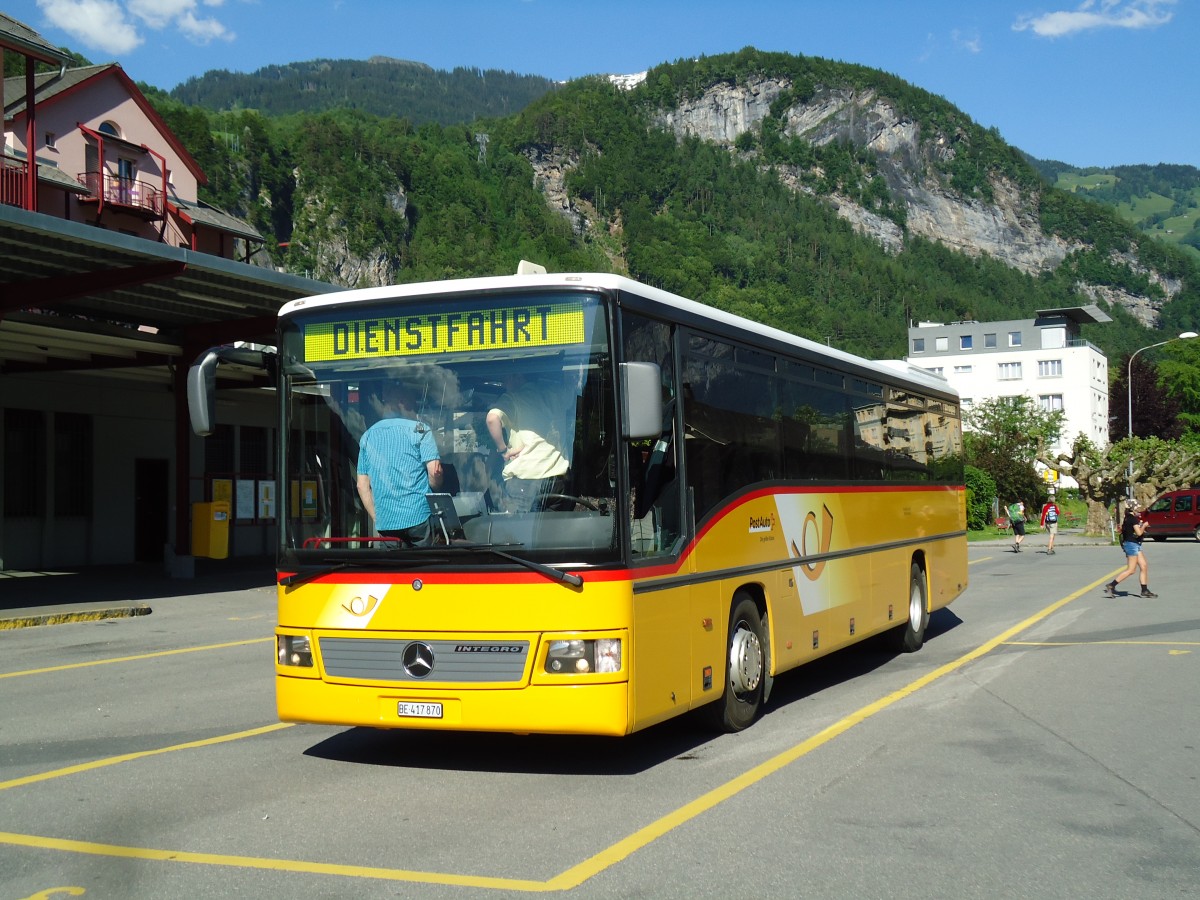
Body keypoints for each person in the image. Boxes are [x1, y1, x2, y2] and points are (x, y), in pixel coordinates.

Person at [356, 380, 443, 546]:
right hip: (418, 517)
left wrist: (376, 516)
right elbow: (434, 473)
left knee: (392, 569)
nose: (415, 407)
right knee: (425, 568)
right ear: (404, 403)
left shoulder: (368, 436)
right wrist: (437, 488)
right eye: (413, 402)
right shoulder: (421, 430)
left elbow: (362, 485)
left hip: (386, 522)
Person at [486, 371, 569, 512]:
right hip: (557, 482)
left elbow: (492, 419)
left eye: (506, 378)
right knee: (553, 531)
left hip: (524, 483)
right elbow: (572, 388)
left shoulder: (512, 399)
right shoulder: (555, 395)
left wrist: (503, 450)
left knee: (520, 531)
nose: (504, 384)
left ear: (518, 376)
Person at [1105, 498, 1156, 598]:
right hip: (1131, 545)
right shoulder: (1132, 519)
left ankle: (1144, 590)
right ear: (1132, 508)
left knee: (1144, 566)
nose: (1138, 509)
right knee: (1131, 570)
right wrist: (1144, 525)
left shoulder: (1128, 518)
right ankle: (1111, 585)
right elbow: (1139, 532)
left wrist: (1140, 525)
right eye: (1136, 507)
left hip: (1134, 544)